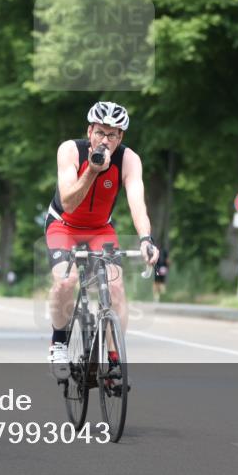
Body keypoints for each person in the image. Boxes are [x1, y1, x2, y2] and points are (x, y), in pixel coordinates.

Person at [45, 101, 159, 378]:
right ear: (89, 130)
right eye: (99, 133)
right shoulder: (70, 150)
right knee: (65, 280)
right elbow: (69, 202)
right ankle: (59, 343)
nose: (105, 140)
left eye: (112, 135)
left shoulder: (128, 159)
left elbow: (137, 204)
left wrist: (146, 239)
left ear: (121, 137)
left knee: (117, 288)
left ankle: (113, 358)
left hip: (100, 230)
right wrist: (93, 170)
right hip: (64, 225)